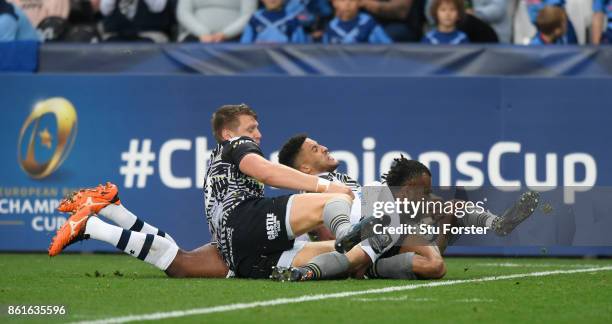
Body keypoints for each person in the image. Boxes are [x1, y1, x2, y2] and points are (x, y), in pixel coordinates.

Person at [276, 134, 540, 280]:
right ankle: (370, 268)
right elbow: (327, 232)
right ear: (305, 168)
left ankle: (498, 224)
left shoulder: (339, 180)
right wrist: (354, 256)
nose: (324, 147)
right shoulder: (310, 190)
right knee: (435, 261)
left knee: (448, 208)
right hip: (369, 232)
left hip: (383, 218)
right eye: (314, 148)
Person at [176, 0, 257, 43]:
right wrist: (202, 33)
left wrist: (225, 34)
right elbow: (183, 12)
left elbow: (248, 14)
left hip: (235, 37)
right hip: (195, 36)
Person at [322, 0, 392, 44]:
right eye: (342, 0)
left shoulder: (369, 23)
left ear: (359, 2)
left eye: (352, 0)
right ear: (334, 2)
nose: (347, 4)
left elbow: (388, 47)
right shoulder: (331, 27)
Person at [240, 0, 307, 43]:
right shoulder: (255, 18)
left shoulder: (292, 19)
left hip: (284, 62)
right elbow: (245, 43)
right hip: (259, 61)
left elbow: (299, 45)